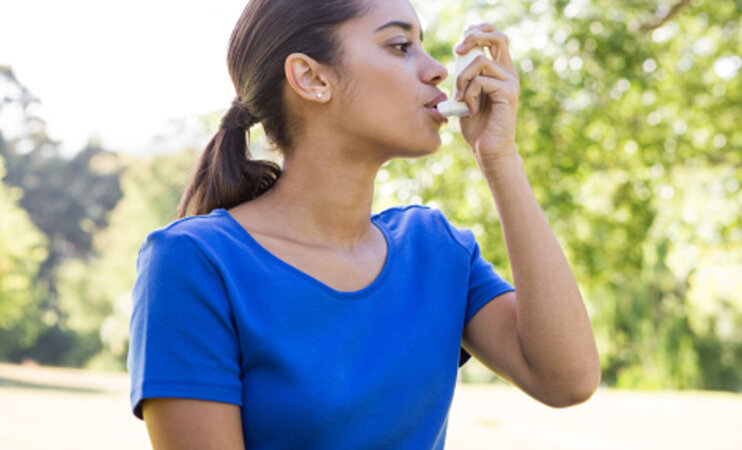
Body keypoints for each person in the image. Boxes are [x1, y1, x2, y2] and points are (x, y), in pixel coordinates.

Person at [127, 0, 601, 448]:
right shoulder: (194, 262)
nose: (437, 69)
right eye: (400, 46)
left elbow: (567, 379)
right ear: (311, 78)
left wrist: (499, 156)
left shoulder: (435, 249)